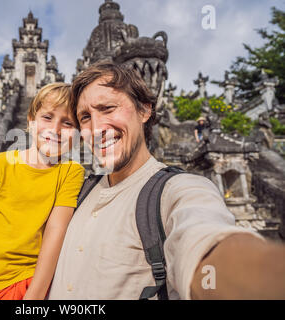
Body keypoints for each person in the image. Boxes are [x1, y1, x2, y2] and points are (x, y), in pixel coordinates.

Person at [48, 62, 285, 300]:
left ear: (144, 110)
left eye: (108, 108)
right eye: (85, 117)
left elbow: (206, 243)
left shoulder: (178, 190)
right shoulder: (77, 190)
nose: (97, 128)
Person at [0, 83, 85, 300]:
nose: (55, 130)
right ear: (31, 121)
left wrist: (34, 296)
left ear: (79, 135)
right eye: (47, 117)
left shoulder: (71, 171)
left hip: (36, 282)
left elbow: (56, 230)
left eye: (67, 123)